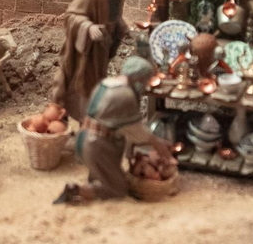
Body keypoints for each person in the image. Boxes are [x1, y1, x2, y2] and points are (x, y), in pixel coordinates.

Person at [55, 56, 173, 204]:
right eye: (144, 81)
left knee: (105, 175)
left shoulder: (106, 84)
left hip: (86, 137)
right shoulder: (125, 95)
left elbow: (120, 125)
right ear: (139, 78)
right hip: (97, 144)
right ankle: (76, 190)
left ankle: (96, 181)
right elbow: (135, 129)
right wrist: (158, 144)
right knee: (118, 189)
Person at [51, 0, 129, 122]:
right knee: (81, 87)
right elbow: (71, 16)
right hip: (85, 51)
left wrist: (123, 28)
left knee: (95, 86)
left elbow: (113, 15)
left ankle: (88, 125)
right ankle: (75, 124)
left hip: (101, 48)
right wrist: (88, 27)